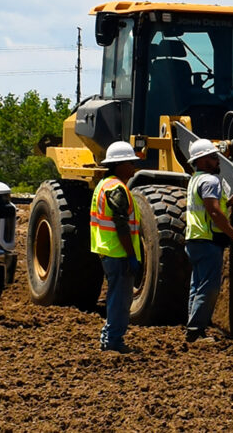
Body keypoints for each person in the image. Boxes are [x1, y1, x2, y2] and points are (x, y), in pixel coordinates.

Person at [184, 138, 233, 342]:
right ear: (202, 161)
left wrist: (227, 202)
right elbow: (213, 212)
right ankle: (196, 330)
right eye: (213, 157)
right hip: (207, 240)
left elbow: (207, 206)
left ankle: (194, 328)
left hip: (194, 239)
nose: (217, 161)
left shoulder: (195, 179)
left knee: (197, 286)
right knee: (209, 287)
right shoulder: (211, 181)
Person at [89, 141, 143, 353]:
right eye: (130, 162)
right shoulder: (116, 188)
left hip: (108, 251)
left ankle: (109, 338)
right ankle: (113, 341)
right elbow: (121, 226)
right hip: (118, 253)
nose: (133, 167)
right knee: (120, 300)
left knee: (116, 297)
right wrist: (131, 256)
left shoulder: (104, 184)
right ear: (119, 165)